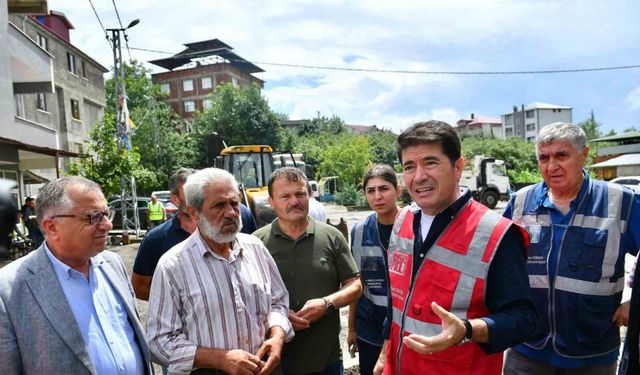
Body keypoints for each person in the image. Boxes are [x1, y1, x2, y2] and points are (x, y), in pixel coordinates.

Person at [374, 121, 537, 375]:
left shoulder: (495, 234)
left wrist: (468, 330)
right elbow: (396, 302)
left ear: (458, 167)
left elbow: (523, 320)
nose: (419, 176)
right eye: (409, 167)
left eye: (430, 162)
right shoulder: (402, 220)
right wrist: (386, 352)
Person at [503, 122, 640, 375]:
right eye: (543, 157)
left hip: (592, 352)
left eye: (561, 155)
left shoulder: (621, 201)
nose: (551, 166)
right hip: (527, 347)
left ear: (584, 155)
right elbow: (499, 262)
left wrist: (636, 303)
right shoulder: (520, 202)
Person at [147, 168, 293, 375]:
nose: (231, 213)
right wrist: (219, 359)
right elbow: (159, 341)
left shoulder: (255, 248)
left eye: (234, 203)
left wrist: (277, 335)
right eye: (218, 206)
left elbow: (278, 302)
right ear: (194, 212)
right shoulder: (173, 265)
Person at [0, 176, 153, 374]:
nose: (107, 225)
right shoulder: (9, 290)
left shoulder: (112, 263)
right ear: (52, 227)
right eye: (93, 216)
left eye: (106, 214)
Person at [253, 167, 363, 375]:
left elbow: (355, 284)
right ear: (271, 201)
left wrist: (326, 304)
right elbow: (246, 297)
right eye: (285, 196)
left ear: (309, 195)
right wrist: (278, 316)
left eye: (300, 194)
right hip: (276, 362)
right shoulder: (256, 243)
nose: (294, 201)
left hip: (326, 361)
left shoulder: (331, 236)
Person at [132, 168, 258, 301]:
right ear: (175, 199)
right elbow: (139, 287)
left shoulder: (241, 216)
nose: (197, 199)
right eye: (189, 194)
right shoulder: (156, 239)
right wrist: (185, 298)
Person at [347, 165, 401, 375]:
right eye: (371, 191)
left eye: (384, 189)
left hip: (405, 328)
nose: (377, 196)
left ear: (398, 191)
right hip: (370, 329)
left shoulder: (415, 226)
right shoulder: (359, 231)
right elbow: (356, 284)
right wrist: (352, 328)